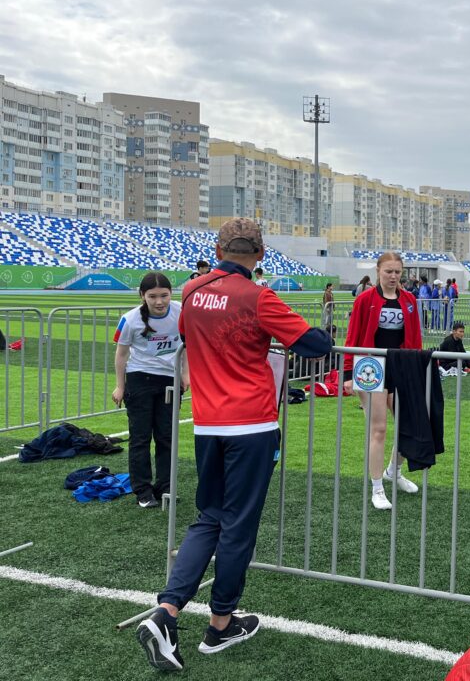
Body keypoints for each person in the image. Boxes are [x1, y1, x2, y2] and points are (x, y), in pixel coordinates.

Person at [136, 218, 332, 671]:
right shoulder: (259, 296)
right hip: (251, 424)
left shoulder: (191, 291)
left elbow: (190, 338)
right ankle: (220, 624)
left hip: (208, 423)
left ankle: (167, 611)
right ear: (260, 254)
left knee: (209, 517)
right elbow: (315, 344)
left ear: (218, 249)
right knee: (238, 527)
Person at [342, 252, 424, 510]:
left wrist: (418, 369)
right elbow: (352, 336)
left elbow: (416, 338)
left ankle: (393, 472)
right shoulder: (364, 299)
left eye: (397, 272)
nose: (393, 276)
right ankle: (377, 488)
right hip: (370, 368)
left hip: (401, 367)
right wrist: (347, 374)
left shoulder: (409, 300)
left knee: (408, 425)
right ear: (378, 271)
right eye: (389, 271)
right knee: (378, 429)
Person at [112, 272, 188, 510]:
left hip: (169, 381)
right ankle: (143, 491)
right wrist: (120, 386)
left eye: (164, 295)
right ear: (142, 295)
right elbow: (121, 355)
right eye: (152, 296)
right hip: (140, 380)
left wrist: (185, 375)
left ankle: (165, 487)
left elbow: (187, 346)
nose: (159, 301)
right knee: (140, 438)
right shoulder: (130, 319)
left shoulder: (181, 312)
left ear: (171, 293)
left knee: (166, 437)